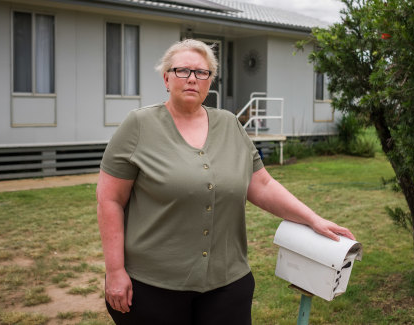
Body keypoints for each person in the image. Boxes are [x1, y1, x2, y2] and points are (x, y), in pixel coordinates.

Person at [96, 39, 355, 325]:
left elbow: (263, 185)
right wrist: (115, 270)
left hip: (227, 284)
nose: (192, 78)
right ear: (166, 78)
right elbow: (110, 199)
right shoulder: (138, 126)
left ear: (210, 80)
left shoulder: (230, 125)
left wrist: (313, 219)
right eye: (182, 70)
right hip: (154, 287)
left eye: (202, 72)